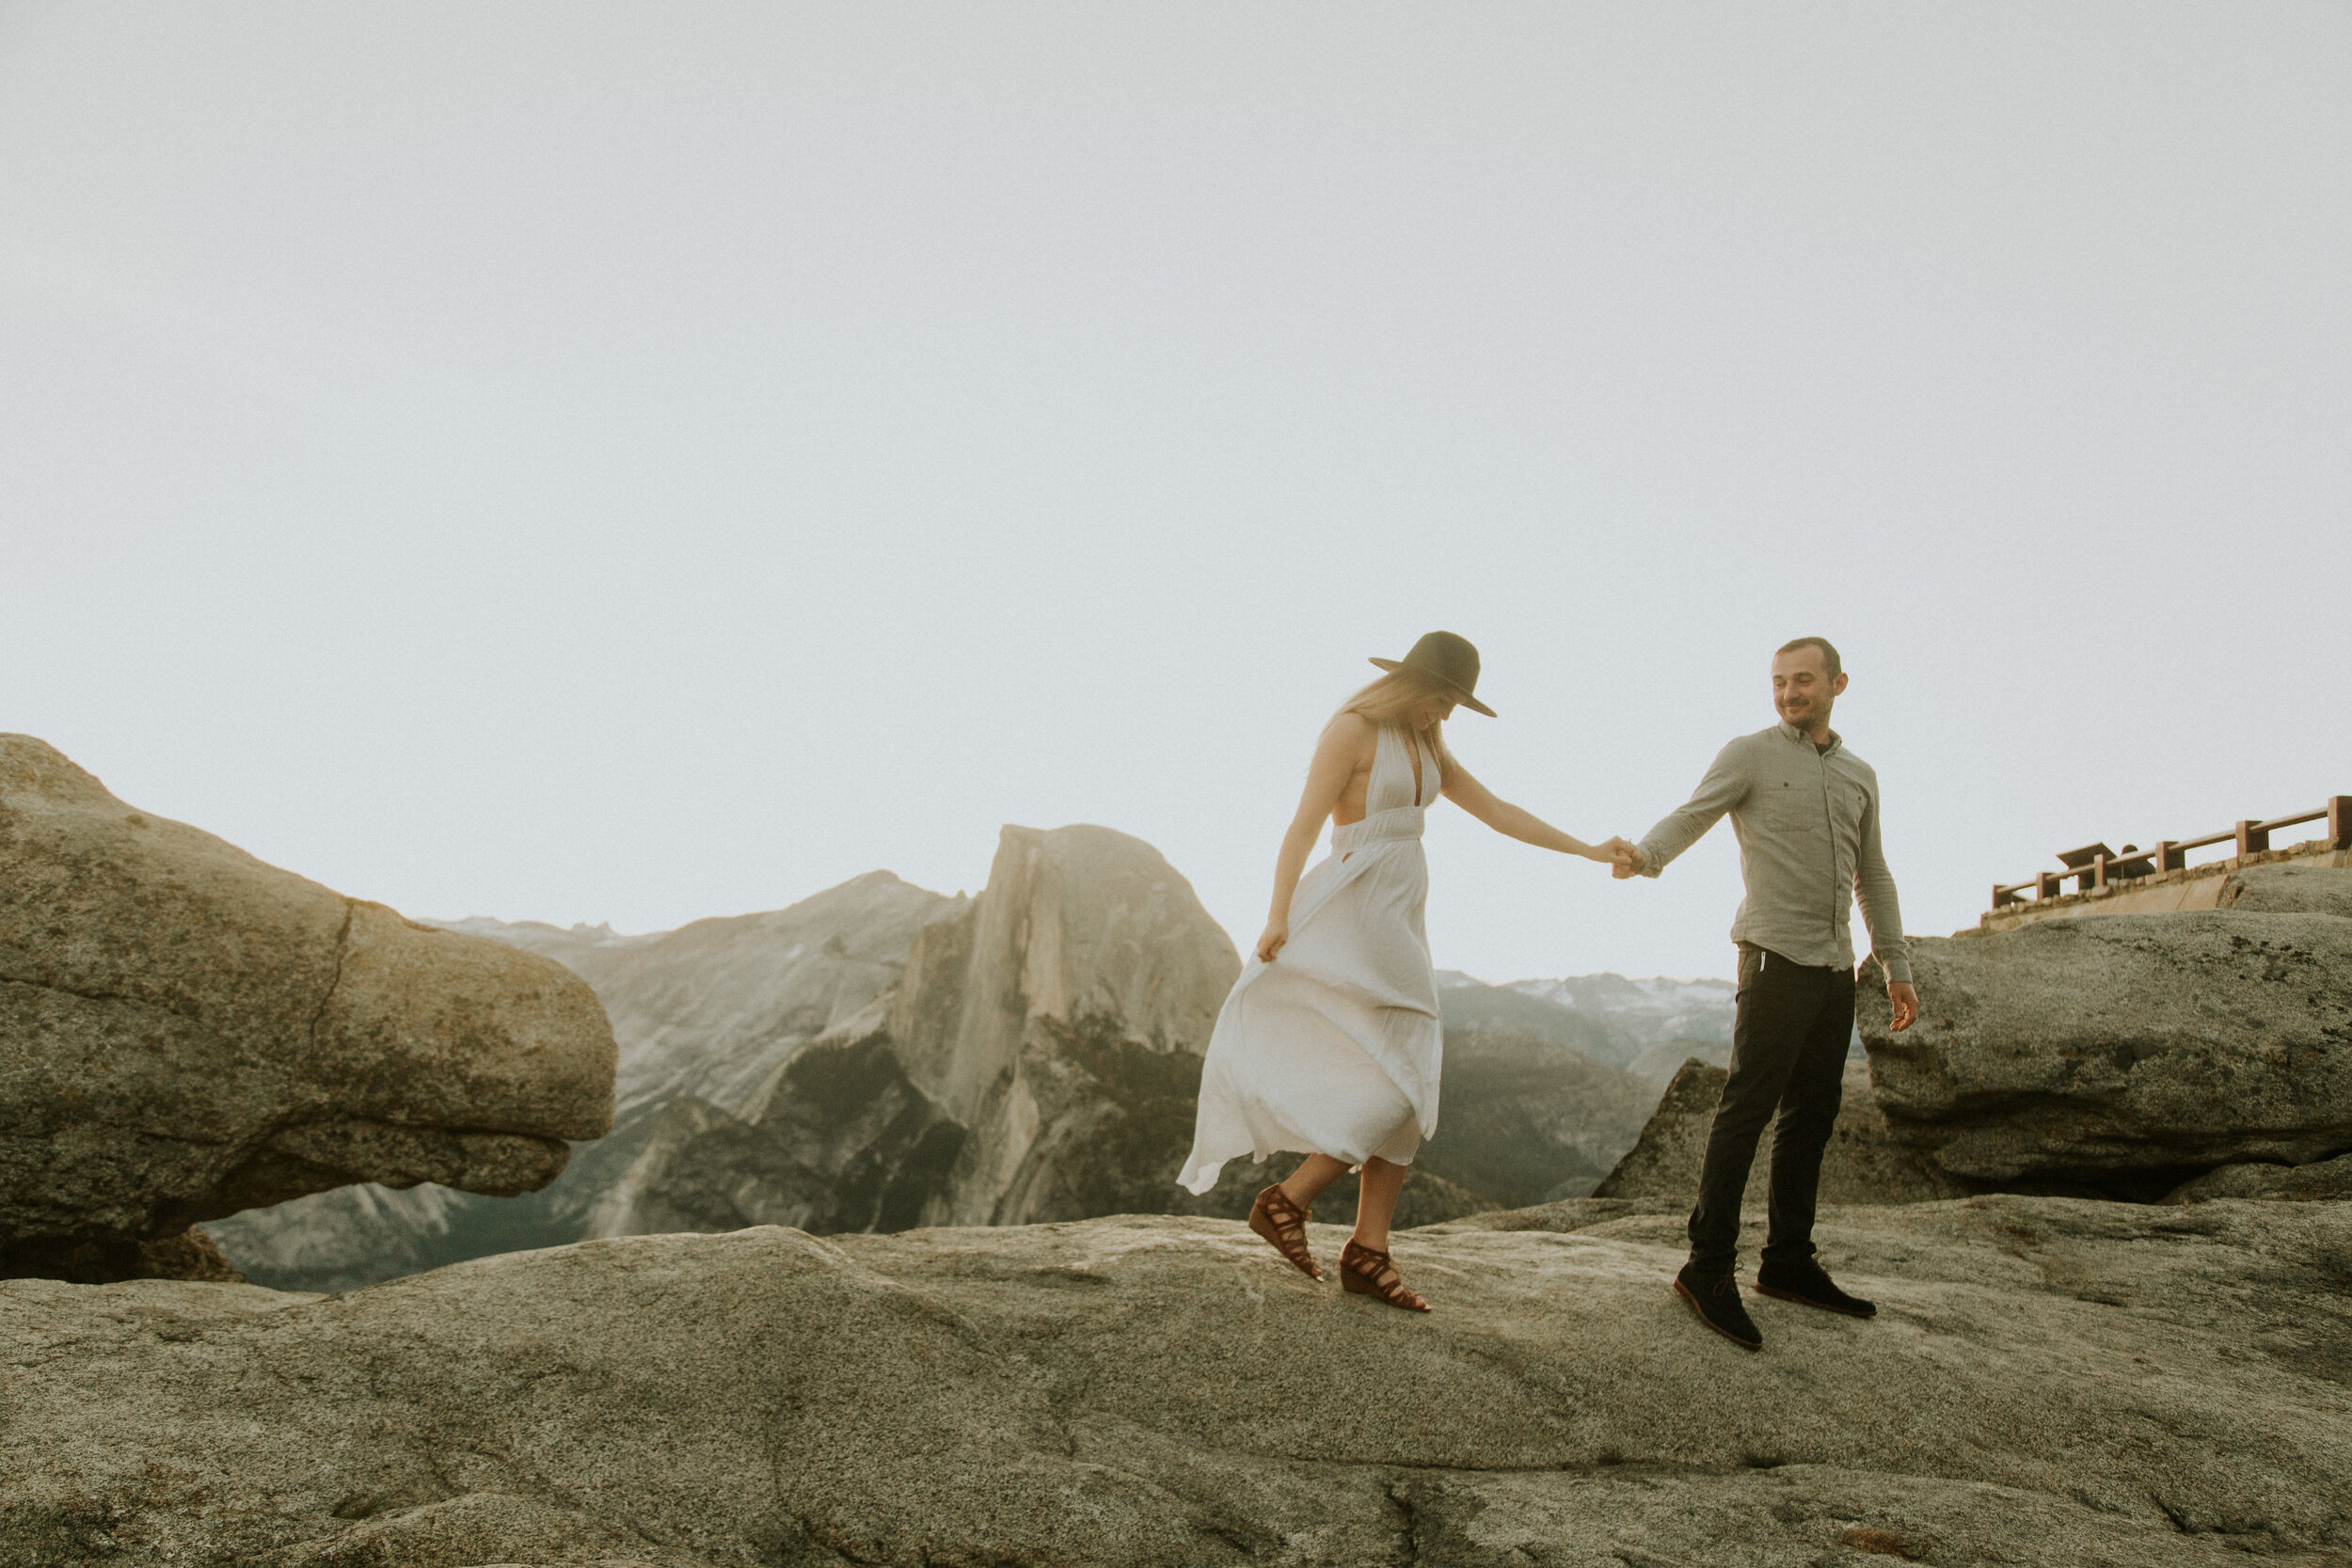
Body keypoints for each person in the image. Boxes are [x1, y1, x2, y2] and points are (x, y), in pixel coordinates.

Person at [1179, 630, 1631, 1311]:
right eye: (1440, 699)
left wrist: (1591, 850)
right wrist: (1276, 913)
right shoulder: (1351, 730)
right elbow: (1302, 826)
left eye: (1452, 705)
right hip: (1356, 902)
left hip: (1400, 911)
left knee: (1412, 1065)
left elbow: (1501, 812)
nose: (1443, 714)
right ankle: (1287, 1200)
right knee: (1411, 1067)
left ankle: (1369, 1248)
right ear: (1411, 683)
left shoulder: (1430, 748)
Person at [1612, 635, 1918, 1351]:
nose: (1789, 693)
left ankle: (1786, 1260)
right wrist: (1646, 855)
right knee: (1746, 1108)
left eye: (1803, 680)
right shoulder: (1749, 753)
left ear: (1838, 682)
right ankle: (1706, 1266)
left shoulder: (1860, 775)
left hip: (1835, 968)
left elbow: (1873, 875)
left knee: (1812, 1114)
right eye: (1779, 682)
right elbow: (1695, 813)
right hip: (1772, 959)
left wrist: (1895, 965)